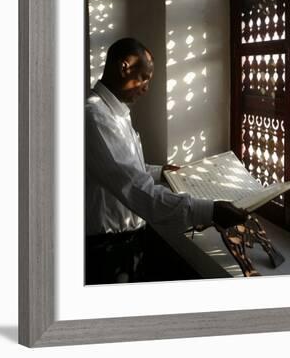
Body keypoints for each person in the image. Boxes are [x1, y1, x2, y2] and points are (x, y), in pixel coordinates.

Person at [85, 37, 247, 284]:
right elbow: (132, 186)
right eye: (146, 77)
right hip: (109, 249)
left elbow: (126, 170)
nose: (147, 87)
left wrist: (162, 172)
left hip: (128, 241)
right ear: (125, 67)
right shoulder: (95, 118)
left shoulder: (114, 114)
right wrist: (208, 210)